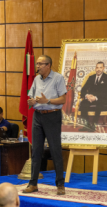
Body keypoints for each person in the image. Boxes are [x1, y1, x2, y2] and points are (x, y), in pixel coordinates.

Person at [23, 55, 67, 195]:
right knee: (36, 151)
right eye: (37, 64)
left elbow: (63, 99)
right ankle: (33, 184)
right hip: (37, 116)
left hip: (52, 116)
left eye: (40, 64)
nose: (37, 66)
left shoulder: (58, 78)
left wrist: (47, 101)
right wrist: (31, 101)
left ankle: (60, 184)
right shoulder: (36, 79)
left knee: (55, 150)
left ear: (48, 65)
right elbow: (32, 95)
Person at [78, 62, 107, 132]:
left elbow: (105, 91)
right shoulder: (91, 77)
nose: (98, 69)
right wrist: (87, 96)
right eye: (97, 67)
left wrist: (95, 97)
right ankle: (86, 125)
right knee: (83, 103)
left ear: (103, 68)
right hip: (90, 98)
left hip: (102, 98)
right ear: (95, 68)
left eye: (100, 67)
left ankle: (93, 125)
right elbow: (83, 89)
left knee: (99, 104)